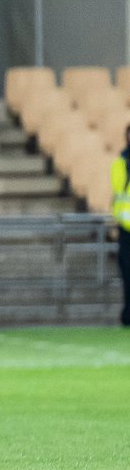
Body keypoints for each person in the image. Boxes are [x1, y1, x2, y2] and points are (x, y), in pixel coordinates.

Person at [112, 128, 130, 326]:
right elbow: (118, 189)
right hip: (125, 229)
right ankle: (128, 314)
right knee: (127, 273)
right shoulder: (120, 163)